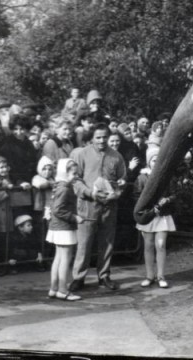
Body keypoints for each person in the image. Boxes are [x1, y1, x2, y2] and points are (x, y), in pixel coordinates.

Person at [70, 123, 126, 292]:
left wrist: (118, 191)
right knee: (84, 243)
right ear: (92, 138)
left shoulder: (116, 156)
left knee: (107, 242)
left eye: (105, 137)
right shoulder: (82, 154)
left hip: (109, 206)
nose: (102, 141)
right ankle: (78, 278)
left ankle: (104, 276)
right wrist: (89, 193)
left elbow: (122, 179)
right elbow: (75, 180)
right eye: (98, 137)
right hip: (88, 206)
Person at [134, 147, 176, 288]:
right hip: (148, 215)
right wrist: (147, 207)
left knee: (161, 245)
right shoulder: (142, 177)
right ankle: (149, 275)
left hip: (162, 215)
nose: (155, 162)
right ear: (148, 162)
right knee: (149, 245)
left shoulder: (166, 175)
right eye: (153, 160)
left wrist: (167, 200)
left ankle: (161, 276)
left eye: (158, 159)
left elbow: (174, 194)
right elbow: (136, 196)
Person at [47, 159, 82, 301]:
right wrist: (75, 217)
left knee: (58, 258)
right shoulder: (65, 188)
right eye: (74, 173)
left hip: (57, 227)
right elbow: (58, 210)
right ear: (64, 172)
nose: (76, 176)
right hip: (64, 228)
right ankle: (63, 290)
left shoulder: (59, 185)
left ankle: (53, 289)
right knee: (65, 260)